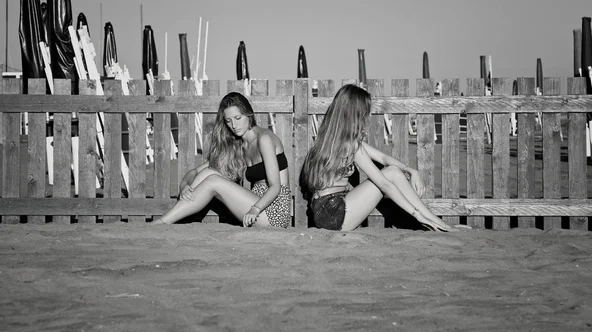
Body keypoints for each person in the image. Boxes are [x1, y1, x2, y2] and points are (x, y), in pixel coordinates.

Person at [301, 84, 458, 232]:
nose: (368, 116)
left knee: (393, 171)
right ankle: (433, 221)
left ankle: (434, 221)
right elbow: (384, 184)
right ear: (356, 114)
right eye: (365, 112)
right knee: (392, 174)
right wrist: (417, 215)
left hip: (323, 210)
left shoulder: (333, 139)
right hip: (334, 214)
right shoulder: (351, 145)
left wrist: (411, 170)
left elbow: (383, 158)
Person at [152, 92, 291, 228]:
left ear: (249, 114)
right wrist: (184, 185)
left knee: (213, 180)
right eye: (228, 121)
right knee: (209, 173)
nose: (234, 125)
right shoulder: (240, 146)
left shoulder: (264, 139)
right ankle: (172, 219)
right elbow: (196, 171)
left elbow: (275, 187)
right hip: (255, 201)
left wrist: (255, 209)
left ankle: (164, 222)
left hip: (273, 210)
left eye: (238, 118)